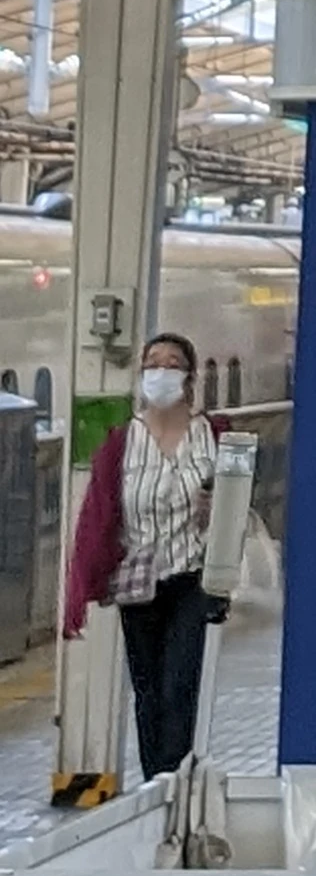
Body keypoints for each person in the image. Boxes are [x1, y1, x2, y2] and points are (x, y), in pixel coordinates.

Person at [63, 331, 223, 778]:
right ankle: (157, 779)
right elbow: (99, 513)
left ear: (190, 377)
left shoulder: (212, 436)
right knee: (148, 688)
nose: (162, 372)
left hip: (194, 577)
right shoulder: (122, 443)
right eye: (153, 363)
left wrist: (221, 508)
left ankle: (176, 780)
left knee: (179, 685)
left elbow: (239, 497)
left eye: (173, 363)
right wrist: (86, 580)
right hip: (139, 581)